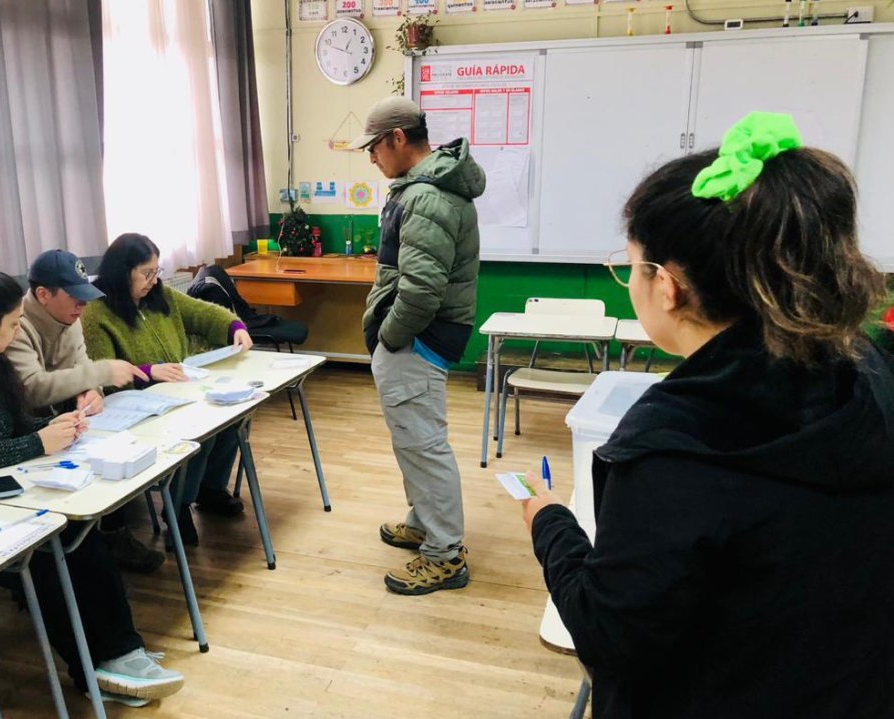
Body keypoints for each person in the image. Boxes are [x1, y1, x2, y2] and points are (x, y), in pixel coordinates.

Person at [521, 113, 894, 718]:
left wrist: (549, 522)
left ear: (666, 286)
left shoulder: (675, 445)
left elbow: (609, 634)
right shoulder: (869, 371)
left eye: (631, 265)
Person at [0, 269, 185, 707]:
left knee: (83, 539)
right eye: (13, 322)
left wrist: (59, 426)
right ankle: (93, 669)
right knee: (49, 552)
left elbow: (14, 425)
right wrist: (38, 442)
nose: (19, 329)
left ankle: (122, 651)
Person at [347, 96, 485, 595]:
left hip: (417, 340)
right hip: (420, 338)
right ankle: (426, 523)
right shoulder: (424, 189)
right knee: (414, 438)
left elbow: (422, 290)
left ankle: (445, 554)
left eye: (374, 146)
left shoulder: (427, 197)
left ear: (398, 138)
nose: (371, 157)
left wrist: (389, 337)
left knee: (424, 445)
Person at [82, 233, 253, 546]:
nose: (153, 280)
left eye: (156, 271)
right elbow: (102, 374)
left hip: (179, 391)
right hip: (136, 406)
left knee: (232, 417)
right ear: (122, 272)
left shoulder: (160, 295)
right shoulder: (97, 313)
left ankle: (210, 489)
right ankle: (178, 507)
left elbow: (202, 312)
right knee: (199, 431)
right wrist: (148, 373)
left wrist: (235, 327)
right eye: (146, 273)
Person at [6, 249, 164, 574]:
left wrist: (93, 392)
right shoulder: (16, 326)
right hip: (26, 432)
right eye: (74, 297)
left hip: (67, 425)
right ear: (43, 295)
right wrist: (101, 374)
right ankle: (83, 554)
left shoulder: (70, 318)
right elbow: (31, 388)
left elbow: (82, 368)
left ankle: (112, 537)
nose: (82, 305)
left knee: (115, 454)